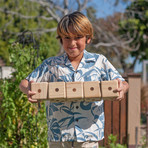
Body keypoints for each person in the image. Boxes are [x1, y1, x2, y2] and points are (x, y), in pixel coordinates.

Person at [19, 11, 129, 148]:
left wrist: (122, 89)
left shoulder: (99, 62)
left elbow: (122, 83)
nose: (72, 43)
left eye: (78, 37)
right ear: (60, 39)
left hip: (89, 135)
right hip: (59, 136)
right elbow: (24, 82)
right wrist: (28, 89)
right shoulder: (50, 65)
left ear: (88, 38)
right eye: (66, 37)